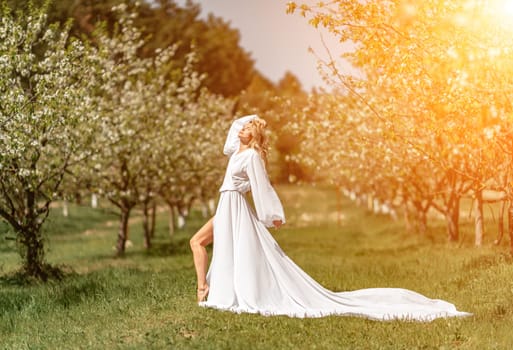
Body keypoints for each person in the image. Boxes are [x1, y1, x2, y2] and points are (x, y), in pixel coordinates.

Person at [189, 114, 471, 321]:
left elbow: (262, 187)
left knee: (224, 247)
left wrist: (271, 214)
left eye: (249, 127)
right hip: (226, 205)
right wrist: (250, 120)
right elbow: (236, 126)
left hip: (235, 206)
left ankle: (207, 289)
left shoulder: (251, 156)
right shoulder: (235, 154)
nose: (243, 128)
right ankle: (208, 288)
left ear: (254, 136)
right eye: (243, 125)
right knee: (200, 243)